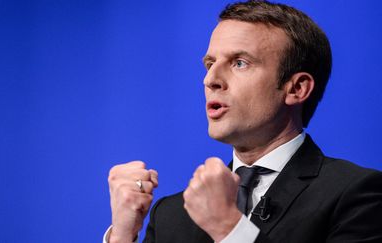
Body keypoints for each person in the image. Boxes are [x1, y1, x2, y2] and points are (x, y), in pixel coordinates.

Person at [104, 1, 382, 242]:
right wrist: (122, 235)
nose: (210, 79)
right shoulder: (171, 214)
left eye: (239, 63)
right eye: (210, 63)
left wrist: (229, 228)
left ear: (297, 88)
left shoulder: (357, 195)